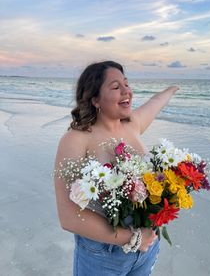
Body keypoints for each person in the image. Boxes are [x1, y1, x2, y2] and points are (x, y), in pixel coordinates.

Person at [54, 61, 179, 276]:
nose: (126, 90)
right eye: (115, 87)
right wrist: (134, 238)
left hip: (146, 249)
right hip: (103, 254)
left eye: (127, 84)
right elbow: (69, 216)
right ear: (95, 99)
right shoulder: (76, 139)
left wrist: (173, 88)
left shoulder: (133, 124)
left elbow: (156, 102)